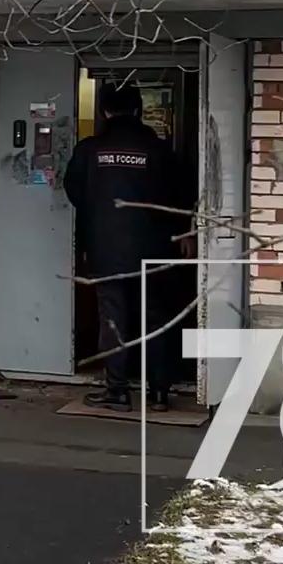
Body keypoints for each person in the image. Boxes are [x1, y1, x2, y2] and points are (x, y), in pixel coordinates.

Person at [64, 82, 187, 412]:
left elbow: (75, 193)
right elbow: (180, 195)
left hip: (106, 248)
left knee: (113, 318)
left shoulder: (89, 150)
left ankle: (117, 391)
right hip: (156, 248)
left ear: (104, 111)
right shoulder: (160, 151)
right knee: (156, 317)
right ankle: (159, 392)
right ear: (139, 109)